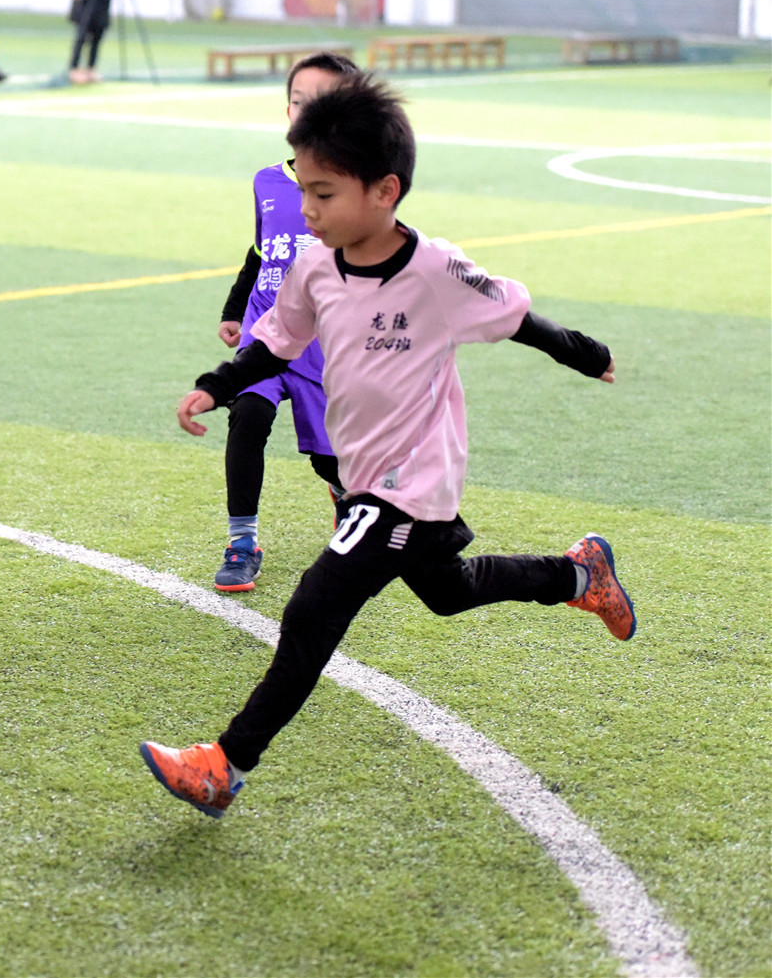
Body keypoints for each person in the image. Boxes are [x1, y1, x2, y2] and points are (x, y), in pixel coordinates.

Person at [142, 74, 636, 819]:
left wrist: (582, 350)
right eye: (303, 189)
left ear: (384, 190)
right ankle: (578, 575)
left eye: (325, 193)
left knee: (314, 606)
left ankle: (224, 764)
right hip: (361, 468)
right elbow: (276, 343)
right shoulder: (314, 264)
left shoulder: (435, 270)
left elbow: (514, 315)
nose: (307, 210)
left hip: (413, 480)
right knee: (448, 590)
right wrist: (217, 382)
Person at [211, 50, 360, 593]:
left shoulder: (360, 188)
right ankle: (242, 541)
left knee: (332, 461)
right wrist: (234, 310)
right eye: (297, 103)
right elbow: (260, 252)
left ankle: (346, 499)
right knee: (247, 416)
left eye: (318, 105)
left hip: (324, 344)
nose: (304, 114)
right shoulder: (266, 181)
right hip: (266, 331)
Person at [67, 0, 117, 84]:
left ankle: (91, 69)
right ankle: (74, 69)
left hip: (102, 1)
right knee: (81, 37)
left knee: (97, 38)